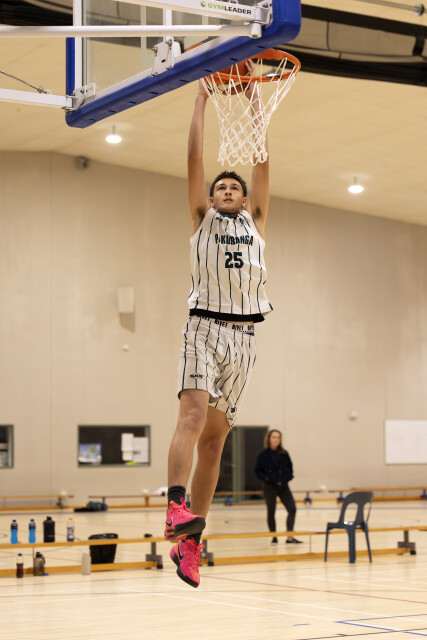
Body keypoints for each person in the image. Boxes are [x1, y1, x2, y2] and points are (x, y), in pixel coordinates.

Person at [164, 64, 273, 588]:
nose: (227, 190)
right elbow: (194, 160)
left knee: (215, 441)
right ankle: (174, 506)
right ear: (210, 199)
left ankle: (190, 543)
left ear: (245, 199)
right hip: (203, 327)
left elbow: (262, 158)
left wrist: (253, 97)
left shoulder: (256, 221)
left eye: (234, 187)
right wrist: (201, 99)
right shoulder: (200, 219)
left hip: (245, 338)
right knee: (192, 415)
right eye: (221, 187)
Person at [254, 429, 302, 545]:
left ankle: (290, 537)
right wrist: (267, 478)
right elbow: (257, 470)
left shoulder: (284, 454)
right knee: (271, 511)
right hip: (269, 487)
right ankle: (274, 537)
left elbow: (290, 468)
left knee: (292, 508)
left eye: (278, 437)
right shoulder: (263, 455)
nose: (276, 439)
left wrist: (288, 477)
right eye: (274, 437)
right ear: (269, 439)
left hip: (283, 486)